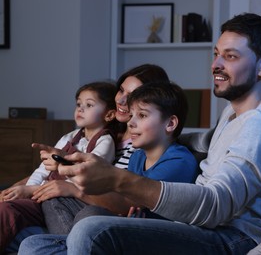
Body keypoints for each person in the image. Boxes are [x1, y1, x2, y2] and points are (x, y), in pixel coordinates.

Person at [19, 13, 261, 254]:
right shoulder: (233, 115)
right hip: (199, 229)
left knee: (91, 229)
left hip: (235, 238)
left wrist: (116, 179)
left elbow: (217, 205)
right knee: (34, 244)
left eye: (230, 57)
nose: (216, 65)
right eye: (216, 54)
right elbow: (203, 142)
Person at [1, 64, 172, 253]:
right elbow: (45, 170)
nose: (122, 100)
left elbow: (132, 197)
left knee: (35, 228)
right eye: (121, 90)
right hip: (60, 201)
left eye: (133, 94)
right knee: (8, 212)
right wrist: (16, 188)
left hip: (85, 207)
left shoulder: (143, 145)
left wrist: (70, 186)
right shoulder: (97, 130)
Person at [42, 81, 199, 234]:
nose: (131, 123)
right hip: (132, 224)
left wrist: (75, 190)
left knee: (90, 216)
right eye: (131, 115)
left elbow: (126, 202)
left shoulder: (179, 161)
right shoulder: (137, 157)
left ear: (170, 123)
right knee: (36, 237)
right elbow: (124, 204)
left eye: (142, 115)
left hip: (160, 234)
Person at [0, 81, 118, 253]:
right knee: (6, 207)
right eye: (78, 104)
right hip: (42, 193)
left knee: (13, 210)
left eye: (89, 105)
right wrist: (26, 190)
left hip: (69, 200)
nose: (80, 109)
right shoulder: (68, 137)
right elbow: (42, 170)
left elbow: (87, 174)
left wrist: (32, 190)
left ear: (109, 115)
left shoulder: (105, 142)